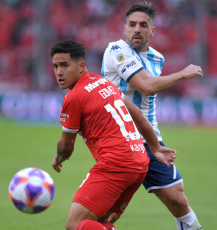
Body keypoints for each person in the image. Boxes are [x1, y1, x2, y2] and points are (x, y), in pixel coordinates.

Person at [50, 40, 177, 230]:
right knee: (100, 222)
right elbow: (137, 114)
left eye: (64, 65)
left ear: (81, 65)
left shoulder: (74, 97)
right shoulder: (104, 83)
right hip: (139, 163)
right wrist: (154, 147)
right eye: (55, 66)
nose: (59, 72)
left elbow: (67, 146)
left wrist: (59, 158)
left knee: (74, 225)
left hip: (116, 165)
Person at [101, 2, 203, 230]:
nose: (137, 29)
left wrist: (155, 139)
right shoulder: (116, 51)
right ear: (125, 28)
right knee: (108, 212)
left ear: (152, 31)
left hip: (148, 139)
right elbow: (146, 86)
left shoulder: (157, 58)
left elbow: (148, 100)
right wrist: (183, 74)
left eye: (143, 25)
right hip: (120, 140)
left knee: (178, 199)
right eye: (132, 24)